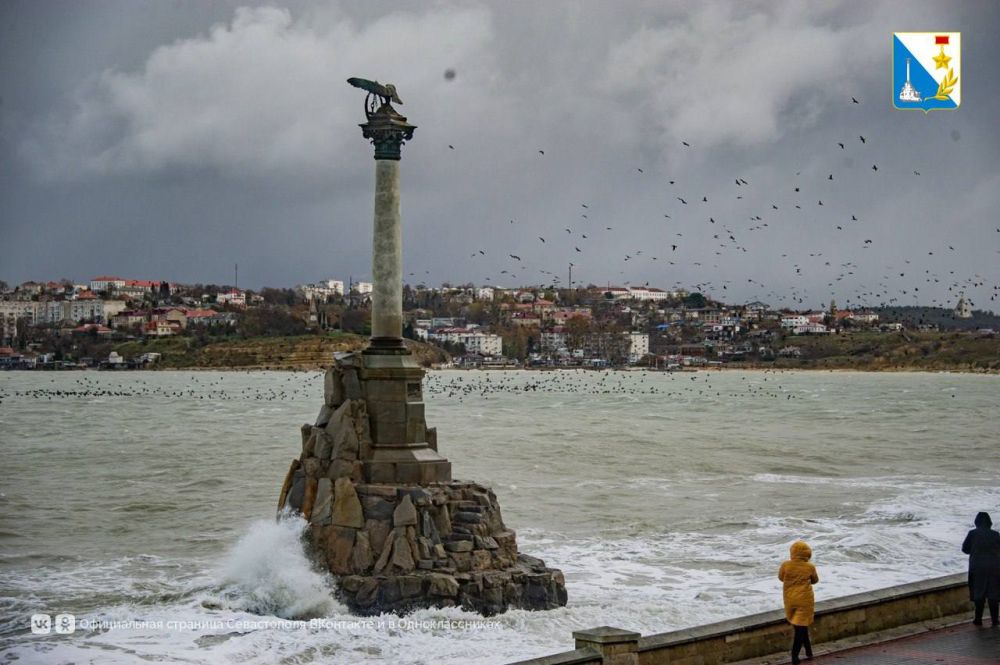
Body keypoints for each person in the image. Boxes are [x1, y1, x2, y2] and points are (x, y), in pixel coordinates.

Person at [779, 540, 819, 664]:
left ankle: (808, 651)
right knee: (801, 628)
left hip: (790, 599)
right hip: (804, 600)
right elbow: (815, 580)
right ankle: (794, 656)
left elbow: (781, 577)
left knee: (800, 626)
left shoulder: (786, 565)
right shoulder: (810, 567)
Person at [961, 512, 1000, 626]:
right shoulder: (996, 534)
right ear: (989, 523)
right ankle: (995, 620)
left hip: (977, 567)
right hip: (994, 567)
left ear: (976, 522)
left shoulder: (972, 534)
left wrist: (975, 551)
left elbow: (965, 549)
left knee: (979, 594)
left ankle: (978, 619)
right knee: (993, 594)